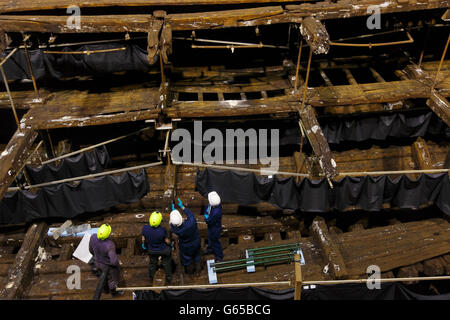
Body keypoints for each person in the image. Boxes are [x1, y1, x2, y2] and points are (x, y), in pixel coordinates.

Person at [169, 197, 202, 276]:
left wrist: (173, 211)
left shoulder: (175, 229)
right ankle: (198, 271)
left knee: (187, 259)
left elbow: (172, 224)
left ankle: (190, 273)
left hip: (185, 246)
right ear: (181, 218)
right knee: (197, 255)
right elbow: (190, 214)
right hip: (196, 241)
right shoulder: (191, 222)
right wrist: (182, 207)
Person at [88, 224, 122, 296]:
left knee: (102, 277)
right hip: (107, 266)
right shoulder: (110, 244)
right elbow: (113, 261)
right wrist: (116, 264)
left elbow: (90, 250)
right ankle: (114, 293)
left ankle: (105, 290)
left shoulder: (93, 237)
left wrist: (97, 257)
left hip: (97, 262)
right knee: (112, 279)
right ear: (108, 234)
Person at [141, 211, 172, 285]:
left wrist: (143, 244)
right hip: (163, 250)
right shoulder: (162, 230)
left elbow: (143, 239)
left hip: (152, 250)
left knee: (152, 264)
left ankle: (151, 278)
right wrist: (170, 244)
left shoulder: (145, 228)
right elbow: (167, 241)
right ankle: (168, 279)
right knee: (167, 263)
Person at [203, 191, 223, 262]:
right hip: (211, 227)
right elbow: (208, 207)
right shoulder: (214, 204)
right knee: (210, 238)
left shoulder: (216, 212)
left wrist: (205, 215)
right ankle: (210, 249)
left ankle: (219, 256)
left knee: (215, 242)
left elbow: (208, 220)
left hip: (215, 229)